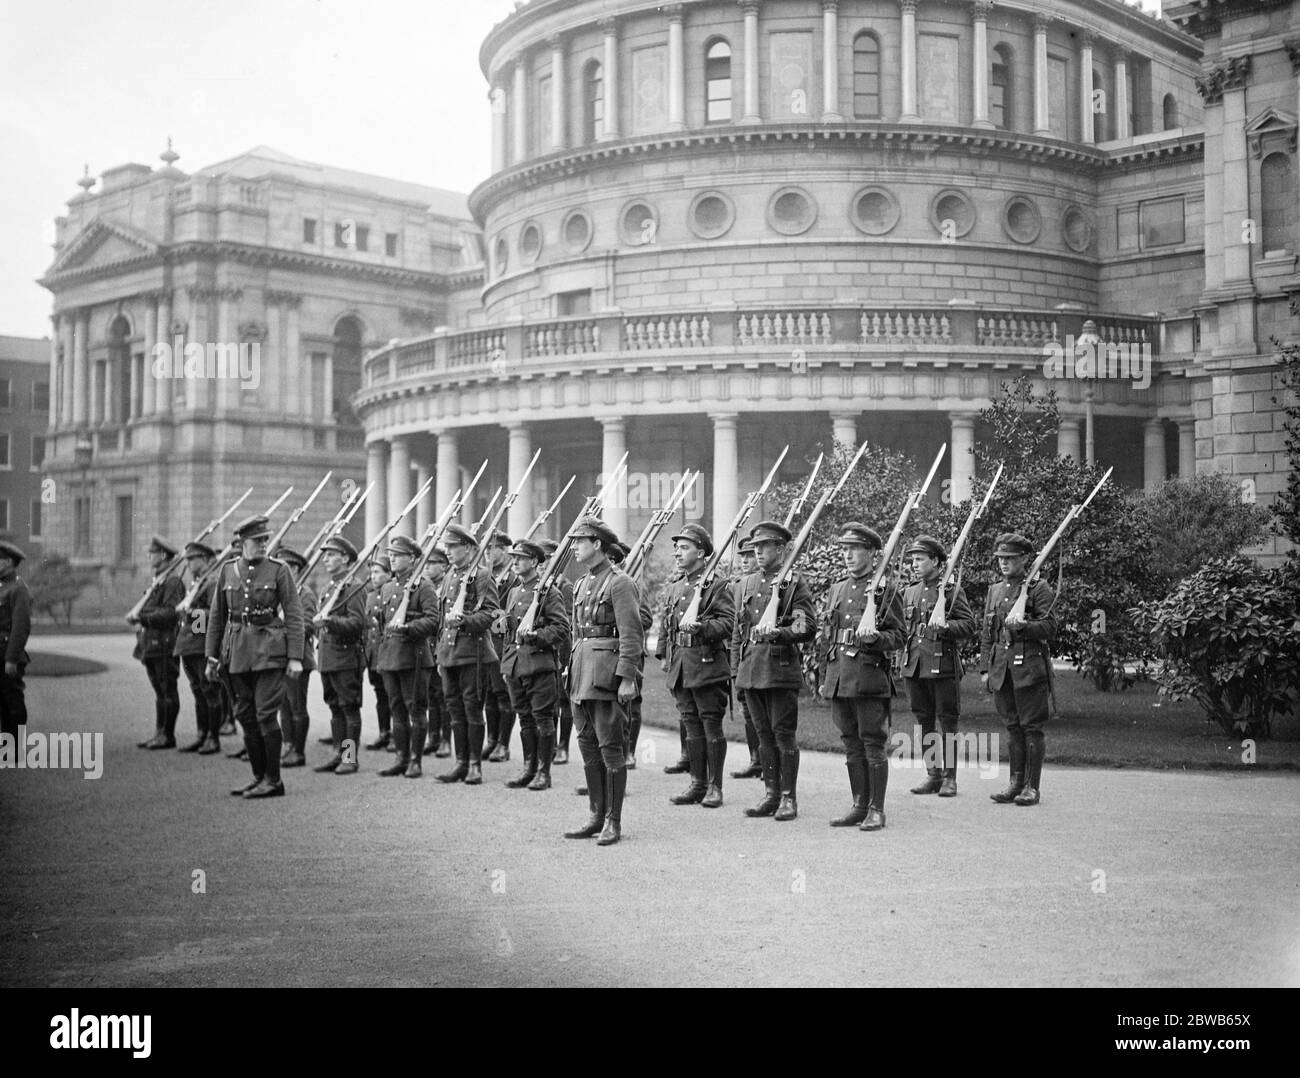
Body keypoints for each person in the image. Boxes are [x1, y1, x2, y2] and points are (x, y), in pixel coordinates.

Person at [205, 515, 305, 799]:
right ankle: (259, 777)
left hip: (269, 653)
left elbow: (294, 615)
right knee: (245, 716)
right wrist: (212, 657)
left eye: (265, 539)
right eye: (256, 541)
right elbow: (216, 618)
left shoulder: (279, 570)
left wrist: (295, 656)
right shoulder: (227, 571)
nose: (263, 544)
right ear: (241, 543)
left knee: (264, 714)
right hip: (236, 653)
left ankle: (274, 781)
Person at [819, 523, 907, 832]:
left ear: (871, 553)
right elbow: (827, 637)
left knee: (872, 743)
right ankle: (859, 805)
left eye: (854, 549)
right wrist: (824, 678)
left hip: (869, 678)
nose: (848, 554)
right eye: (844, 549)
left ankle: (876, 809)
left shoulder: (884, 590)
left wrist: (874, 639)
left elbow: (899, 635)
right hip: (840, 677)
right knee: (850, 744)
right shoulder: (837, 589)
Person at [563, 517, 644, 846]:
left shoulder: (619, 583)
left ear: (597, 544)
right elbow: (575, 632)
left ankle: (613, 820)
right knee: (588, 748)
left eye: (581, 540)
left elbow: (632, 634)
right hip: (581, 674)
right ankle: (596, 816)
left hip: (606, 677)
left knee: (611, 750)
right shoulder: (582, 584)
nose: (575, 546)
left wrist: (627, 677)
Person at [731, 520, 815, 822]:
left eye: (765, 546)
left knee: (783, 736)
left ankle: (788, 798)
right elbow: (738, 631)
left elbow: (806, 626)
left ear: (781, 549)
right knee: (763, 736)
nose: (759, 551)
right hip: (752, 670)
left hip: (780, 670)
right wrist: (735, 671)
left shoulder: (794, 582)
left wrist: (778, 631)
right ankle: (771, 794)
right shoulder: (747, 583)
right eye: (756, 546)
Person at [979, 532, 1058, 807]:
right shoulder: (995, 591)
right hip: (1002, 670)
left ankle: (1031, 787)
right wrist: (984, 669)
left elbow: (1050, 627)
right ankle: (1015, 783)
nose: (1004, 563)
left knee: (1031, 728)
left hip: (1029, 669)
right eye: (1001, 558)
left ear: (1024, 559)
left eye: (1010, 558)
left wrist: (1023, 626)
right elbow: (988, 634)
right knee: (1012, 727)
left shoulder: (1039, 589)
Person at [658, 524, 735, 808]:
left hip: (706, 664)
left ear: (701, 552)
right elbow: (667, 623)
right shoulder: (676, 586)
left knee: (710, 726)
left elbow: (728, 623)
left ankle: (715, 787)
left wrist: (702, 627)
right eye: (676, 548)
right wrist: (664, 654)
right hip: (681, 666)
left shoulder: (717, 584)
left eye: (684, 548)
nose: (678, 553)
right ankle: (697, 784)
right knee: (691, 726)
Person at [901, 534, 976, 798]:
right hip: (915, 665)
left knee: (948, 723)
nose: (914, 564)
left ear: (935, 561)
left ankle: (950, 778)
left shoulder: (953, 591)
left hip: (942, 665)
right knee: (924, 722)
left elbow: (968, 625)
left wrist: (946, 626)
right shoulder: (910, 591)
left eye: (920, 559)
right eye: (913, 560)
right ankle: (933, 774)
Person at [500, 539, 570, 791]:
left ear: (534, 562)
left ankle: (544, 772)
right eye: (514, 557)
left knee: (543, 719)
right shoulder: (514, 592)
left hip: (539, 664)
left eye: (521, 557)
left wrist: (537, 636)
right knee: (525, 718)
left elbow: (562, 628)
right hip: (516, 665)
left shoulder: (549, 592)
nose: (515, 561)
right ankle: (529, 767)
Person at [435, 524, 500, 784]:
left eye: (453, 547)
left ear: (470, 548)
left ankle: (475, 765)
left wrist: (465, 620)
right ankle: (461, 762)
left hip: (473, 652)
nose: (448, 552)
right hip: (449, 652)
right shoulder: (451, 576)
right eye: (447, 547)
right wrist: (439, 651)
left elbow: (493, 614)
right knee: (454, 709)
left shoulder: (482, 576)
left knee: (473, 708)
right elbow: (441, 618)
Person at [375, 534, 439, 778]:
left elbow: (433, 620)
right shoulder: (387, 587)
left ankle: (415, 760)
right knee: (396, 709)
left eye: (397, 555)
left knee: (416, 709)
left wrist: (409, 628)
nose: (392, 559)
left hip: (413, 656)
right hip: (390, 656)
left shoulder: (424, 586)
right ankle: (400, 757)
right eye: (390, 555)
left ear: (412, 559)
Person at [312, 536, 368, 775]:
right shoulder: (329, 588)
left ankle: (349, 758)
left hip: (346, 658)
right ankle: (338, 753)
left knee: (348, 708)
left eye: (331, 555)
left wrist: (330, 621)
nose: (325, 559)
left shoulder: (353, 587)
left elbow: (357, 623)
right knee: (335, 707)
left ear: (345, 558)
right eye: (325, 555)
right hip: (328, 657)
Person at [128, 535, 185, 749]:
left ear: (163, 555)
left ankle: (167, 735)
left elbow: (171, 613)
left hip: (164, 643)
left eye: (152, 553)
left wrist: (142, 616)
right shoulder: (160, 579)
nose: (149, 556)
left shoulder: (172, 582)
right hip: (152, 643)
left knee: (167, 689)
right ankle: (159, 732)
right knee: (159, 692)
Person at [173, 542, 224, 755]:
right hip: (189, 645)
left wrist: (190, 614)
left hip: (201, 645)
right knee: (198, 691)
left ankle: (213, 737)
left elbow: (213, 615)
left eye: (192, 559)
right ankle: (202, 734)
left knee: (209, 691)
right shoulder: (197, 582)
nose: (189, 563)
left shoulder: (211, 582)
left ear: (204, 559)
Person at [276, 548, 317, 768]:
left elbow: (308, 625)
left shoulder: (305, 594)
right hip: (281, 657)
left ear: (294, 569)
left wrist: (282, 626)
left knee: (297, 706)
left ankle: (298, 752)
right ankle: (288, 745)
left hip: (300, 658)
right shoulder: (281, 593)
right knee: (285, 706)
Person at [539, 537, 575, 765]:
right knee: (548, 699)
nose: (544, 565)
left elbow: (569, 620)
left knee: (564, 699)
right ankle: (550, 745)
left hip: (562, 647)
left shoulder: (565, 587)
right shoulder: (539, 587)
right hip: (544, 646)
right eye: (541, 560)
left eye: (548, 560)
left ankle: (563, 746)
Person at [482, 530, 517, 762]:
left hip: (503, 642)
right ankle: (491, 740)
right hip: (486, 642)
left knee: (504, 695)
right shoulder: (486, 577)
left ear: (504, 551)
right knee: (488, 695)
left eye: (491, 549)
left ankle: (504, 744)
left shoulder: (514, 579)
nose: (486, 554)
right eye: (484, 550)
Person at [730, 536, 762, 779]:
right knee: (748, 712)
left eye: (750, 555)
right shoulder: (738, 586)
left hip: (765, 659)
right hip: (744, 658)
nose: (745, 560)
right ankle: (756, 759)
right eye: (743, 556)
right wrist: (734, 668)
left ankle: (769, 763)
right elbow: (735, 630)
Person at [362, 556, 394, 752]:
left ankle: (396, 736)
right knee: (381, 696)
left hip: (389, 654)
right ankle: (384, 732)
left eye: (377, 572)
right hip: (373, 656)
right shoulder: (370, 595)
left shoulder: (394, 593)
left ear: (389, 574)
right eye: (371, 572)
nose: (373, 576)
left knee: (394, 697)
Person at [0, 539, 32, 738]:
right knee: (2, 702)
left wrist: (11, 659)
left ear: (8, 562)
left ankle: (14, 749)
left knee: (12, 702)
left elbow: (20, 628)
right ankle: (6, 745)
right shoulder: (3, 587)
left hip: (7, 655)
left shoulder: (18, 589)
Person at [421, 549, 451, 757]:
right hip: (427, 647)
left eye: (433, 563)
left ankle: (445, 740)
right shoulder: (424, 587)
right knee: (431, 696)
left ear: (444, 566)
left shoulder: (448, 587)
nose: (428, 567)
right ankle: (433, 736)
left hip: (443, 645)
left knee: (445, 697)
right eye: (426, 563)